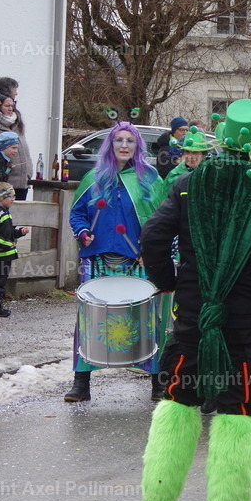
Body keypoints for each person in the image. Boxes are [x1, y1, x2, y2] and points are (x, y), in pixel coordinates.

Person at [139, 99, 251, 501]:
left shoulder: (189, 183)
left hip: (193, 310)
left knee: (179, 393)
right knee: (239, 403)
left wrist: (168, 281)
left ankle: (158, 494)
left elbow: (153, 236)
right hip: (247, 317)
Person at [63, 121, 164, 401]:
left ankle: (157, 382)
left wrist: (151, 249)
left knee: (147, 319)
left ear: (137, 146)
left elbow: (162, 220)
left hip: (138, 260)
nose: (123, 145)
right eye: (118, 140)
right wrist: (83, 232)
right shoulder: (94, 178)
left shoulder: (151, 178)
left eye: (129, 141)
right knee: (88, 319)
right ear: (110, 144)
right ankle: (81, 383)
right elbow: (77, 214)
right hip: (97, 258)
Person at [0, 183, 29, 317]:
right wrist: (6, 244)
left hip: (6, 254)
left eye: (13, 196)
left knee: (2, 279)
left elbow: (8, 232)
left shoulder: (5, 212)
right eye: (9, 196)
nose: (13, 199)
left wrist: (19, 232)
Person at [0, 80, 33, 201]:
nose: (11, 108)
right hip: (7, 181)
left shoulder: (17, 120)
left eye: (13, 105)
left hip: (23, 180)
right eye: (14, 91)